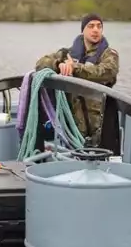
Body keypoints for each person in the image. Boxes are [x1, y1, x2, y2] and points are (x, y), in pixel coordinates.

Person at [35, 13, 121, 154]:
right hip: (72, 124)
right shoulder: (67, 54)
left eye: (99, 26)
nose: (95, 30)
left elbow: (106, 72)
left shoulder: (109, 54)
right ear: (83, 30)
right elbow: (40, 64)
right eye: (91, 26)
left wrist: (75, 68)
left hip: (99, 124)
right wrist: (59, 65)